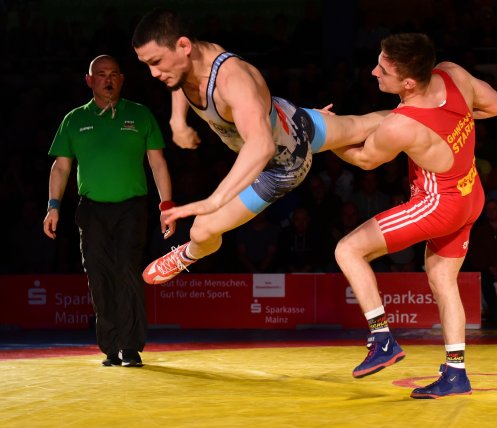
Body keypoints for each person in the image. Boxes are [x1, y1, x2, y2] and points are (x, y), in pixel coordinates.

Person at [131, 8, 387, 285]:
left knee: (202, 231)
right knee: (364, 125)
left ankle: (187, 255)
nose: (154, 73)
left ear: (183, 45)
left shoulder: (231, 81)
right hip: (290, 117)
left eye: (156, 62)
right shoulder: (188, 62)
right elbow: (179, 79)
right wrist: (177, 120)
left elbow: (262, 146)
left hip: (280, 166)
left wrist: (214, 201)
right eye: (147, 64)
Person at [331, 33, 497, 399]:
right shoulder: (452, 73)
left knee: (348, 250)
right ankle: (456, 373)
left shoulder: (402, 124)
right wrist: (454, 125)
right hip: (470, 192)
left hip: (438, 204)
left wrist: (326, 141)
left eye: (383, 68)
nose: (374, 70)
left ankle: (382, 339)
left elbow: (364, 159)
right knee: (442, 279)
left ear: (407, 82)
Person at [42, 55, 175, 367]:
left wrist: (166, 206)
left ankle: (130, 348)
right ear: (90, 80)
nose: (108, 79)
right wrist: (53, 207)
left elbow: (157, 162)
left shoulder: (140, 115)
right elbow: (61, 167)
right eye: (100, 74)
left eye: (113, 74)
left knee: (127, 270)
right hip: (91, 210)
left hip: (132, 208)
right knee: (98, 274)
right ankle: (110, 348)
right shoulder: (74, 120)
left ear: (122, 79)